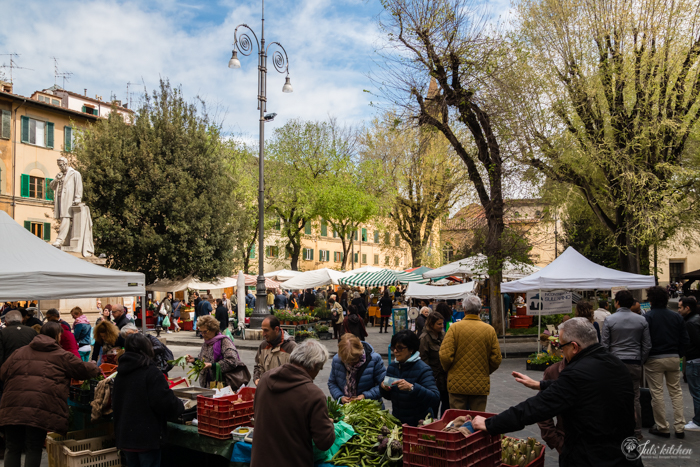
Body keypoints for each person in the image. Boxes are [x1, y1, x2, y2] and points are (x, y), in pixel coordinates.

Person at [472, 318, 638, 466]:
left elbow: (534, 408)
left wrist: (490, 424)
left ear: (574, 347)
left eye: (561, 346)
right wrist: (541, 385)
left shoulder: (575, 374)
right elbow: (588, 387)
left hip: (590, 457)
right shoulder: (616, 365)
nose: (560, 351)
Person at [0, 322, 99, 467]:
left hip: (13, 404)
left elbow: (3, 373)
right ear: (58, 336)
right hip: (39, 406)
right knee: (33, 446)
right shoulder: (61, 355)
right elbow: (84, 370)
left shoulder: (19, 352)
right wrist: (94, 366)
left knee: (13, 446)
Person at [251, 340, 335, 467]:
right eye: (320, 368)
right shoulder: (313, 395)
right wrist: (328, 424)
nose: (317, 374)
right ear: (313, 366)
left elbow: (260, 413)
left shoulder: (264, 379)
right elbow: (324, 442)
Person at [113, 333, 184, 467]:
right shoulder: (151, 372)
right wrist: (181, 407)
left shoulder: (121, 372)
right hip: (146, 439)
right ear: (147, 348)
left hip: (126, 438)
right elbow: (165, 402)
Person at [600, 289, 651, 439]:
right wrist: (640, 360)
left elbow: (604, 345)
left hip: (615, 363)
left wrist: (608, 362)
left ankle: (616, 427)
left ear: (617, 303)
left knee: (615, 395)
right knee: (635, 397)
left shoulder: (610, 319)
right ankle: (637, 430)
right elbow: (647, 345)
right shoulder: (642, 320)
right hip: (634, 361)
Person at [439, 295, 501, 412]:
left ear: (464, 309)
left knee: (458, 420)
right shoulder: (489, 330)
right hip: (480, 383)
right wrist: (485, 370)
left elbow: (445, 355)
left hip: (457, 383)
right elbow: (496, 358)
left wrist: (450, 370)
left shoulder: (454, 328)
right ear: (480, 310)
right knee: (477, 420)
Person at [644, 285, 690, 438]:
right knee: (676, 392)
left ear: (651, 300)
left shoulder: (647, 317)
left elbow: (644, 341)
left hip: (654, 358)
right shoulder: (676, 316)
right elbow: (685, 340)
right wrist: (679, 354)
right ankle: (679, 426)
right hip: (673, 357)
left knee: (657, 393)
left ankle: (662, 426)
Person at [381, 330, 439, 426]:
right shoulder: (392, 367)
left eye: (400, 348)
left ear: (411, 349)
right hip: (398, 422)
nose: (395, 351)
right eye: (394, 348)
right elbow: (389, 396)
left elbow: (434, 398)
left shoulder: (423, 369)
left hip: (419, 423)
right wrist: (383, 388)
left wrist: (412, 388)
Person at [185, 315, 250, 389]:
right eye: (201, 332)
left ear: (214, 330)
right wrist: (194, 360)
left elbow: (232, 361)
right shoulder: (206, 343)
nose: (203, 335)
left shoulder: (224, 341)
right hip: (208, 385)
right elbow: (204, 361)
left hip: (224, 385)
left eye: (205, 332)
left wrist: (212, 365)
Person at [328, 334, 386, 403]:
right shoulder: (337, 360)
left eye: (354, 360)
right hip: (346, 408)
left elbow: (384, 385)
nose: (351, 364)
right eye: (347, 361)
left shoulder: (374, 359)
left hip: (370, 406)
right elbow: (332, 383)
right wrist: (340, 397)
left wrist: (365, 396)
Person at [419, 311, 449, 417]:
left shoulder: (444, 335)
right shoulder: (424, 338)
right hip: (433, 379)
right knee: (433, 410)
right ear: (431, 324)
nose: (442, 326)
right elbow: (423, 361)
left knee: (446, 408)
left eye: (442, 323)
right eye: (439, 324)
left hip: (445, 379)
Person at [536, 357, 567, 453]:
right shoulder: (554, 371)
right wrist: (555, 441)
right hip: (567, 442)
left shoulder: (602, 368)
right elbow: (542, 409)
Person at [254, 315, 296, 385]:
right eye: (262, 330)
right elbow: (258, 366)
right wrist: (257, 378)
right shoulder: (263, 346)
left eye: (266, 330)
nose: (263, 334)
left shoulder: (291, 347)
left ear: (276, 329)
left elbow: (298, 373)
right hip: (266, 390)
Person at [679, 296, 700, 432]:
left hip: (695, 360)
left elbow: (696, 342)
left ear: (687, 308)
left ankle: (698, 422)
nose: (679, 310)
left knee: (696, 391)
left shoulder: (690, 323)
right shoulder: (696, 318)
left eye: (680, 307)